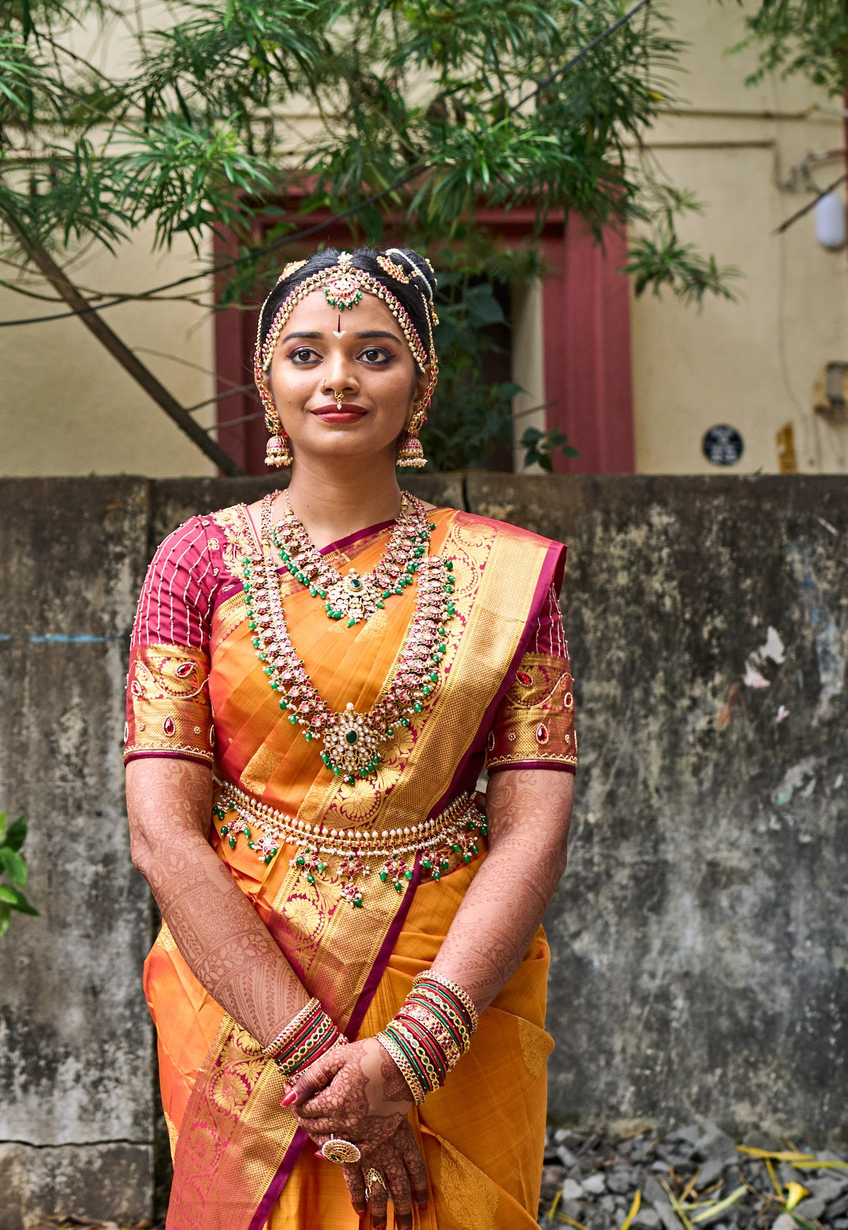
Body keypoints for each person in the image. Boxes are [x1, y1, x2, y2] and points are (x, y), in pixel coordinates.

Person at [125, 247, 578, 1230]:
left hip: (448, 990)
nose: (337, 378)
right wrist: (321, 1068)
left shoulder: (506, 581)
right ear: (267, 383)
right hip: (244, 1009)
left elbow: (534, 829)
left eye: (375, 352)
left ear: (421, 386)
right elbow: (162, 833)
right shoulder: (193, 566)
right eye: (305, 352)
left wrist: (407, 1057)